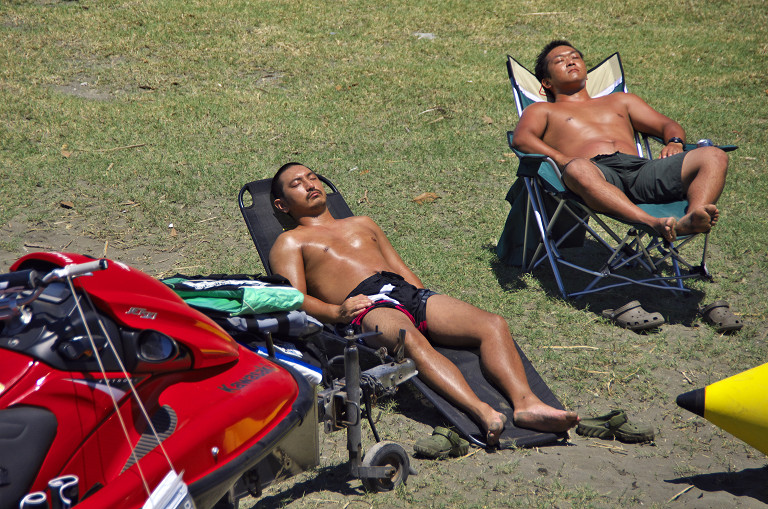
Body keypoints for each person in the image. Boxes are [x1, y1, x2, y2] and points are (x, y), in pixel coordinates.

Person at [269, 162, 579, 445]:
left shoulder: (363, 222)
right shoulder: (291, 241)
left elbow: (400, 268)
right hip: (368, 306)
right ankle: (482, 410)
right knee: (411, 341)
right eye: (297, 183)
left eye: (312, 177)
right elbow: (293, 299)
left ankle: (526, 404)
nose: (310, 184)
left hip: (407, 293)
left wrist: (425, 300)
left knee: (492, 324)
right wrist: (336, 311)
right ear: (282, 204)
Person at [512, 40, 729, 242]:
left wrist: (674, 142)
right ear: (546, 82)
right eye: (559, 61)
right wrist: (562, 160)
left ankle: (693, 217)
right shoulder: (542, 109)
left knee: (714, 155)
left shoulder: (620, 100)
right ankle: (653, 223)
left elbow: (666, 125)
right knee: (577, 168)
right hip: (596, 173)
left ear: (586, 73)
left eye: (575, 56)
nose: (570, 61)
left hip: (641, 171)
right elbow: (522, 139)